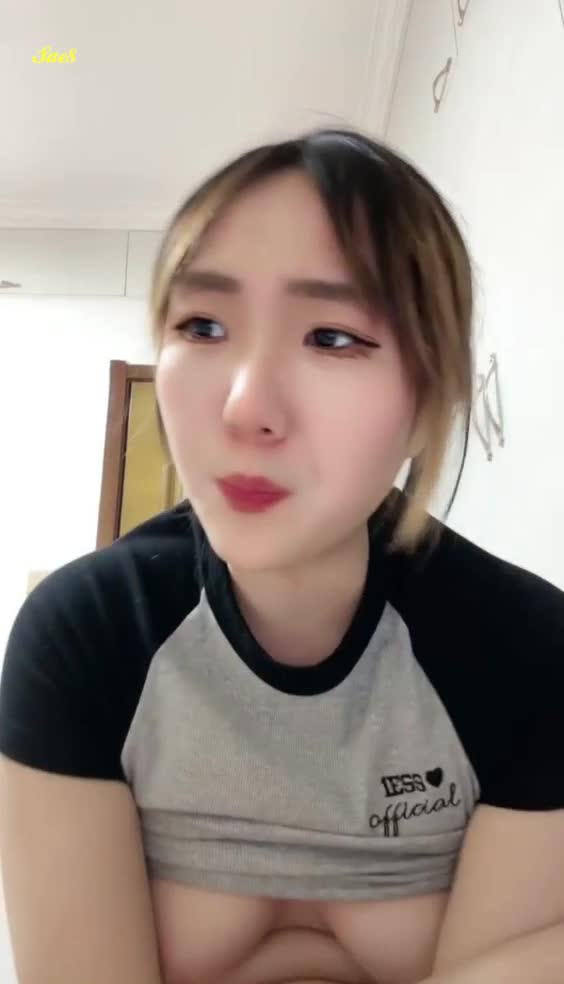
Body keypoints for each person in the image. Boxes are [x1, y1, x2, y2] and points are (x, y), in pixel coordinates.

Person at [1, 127, 564, 984]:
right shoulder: (85, 638)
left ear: (432, 395)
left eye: (332, 337)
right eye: (203, 325)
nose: (245, 405)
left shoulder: (529, 654)